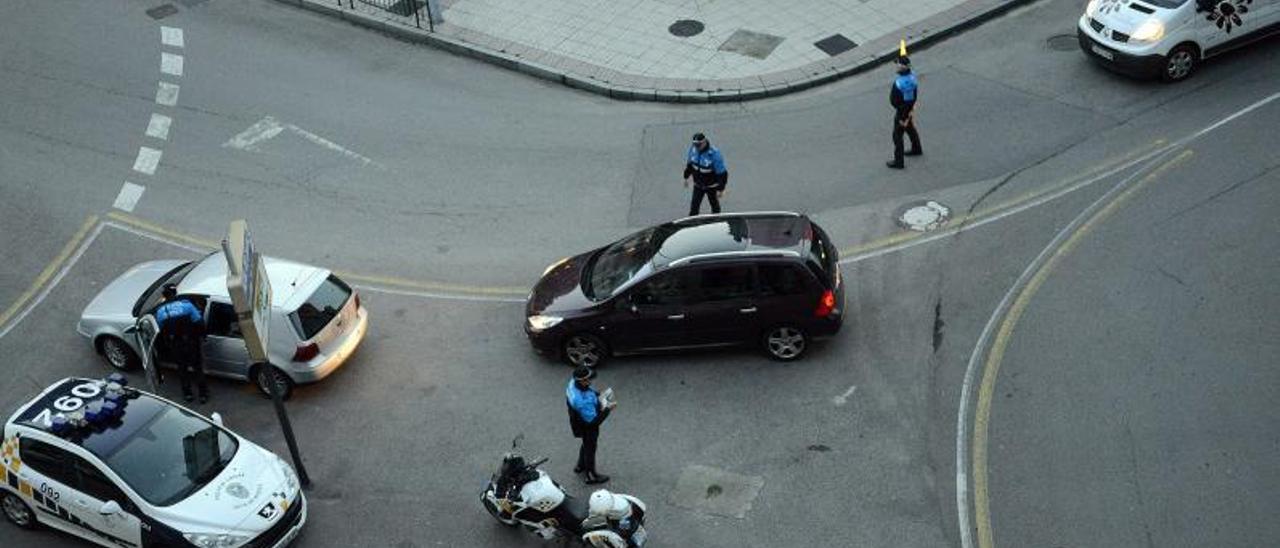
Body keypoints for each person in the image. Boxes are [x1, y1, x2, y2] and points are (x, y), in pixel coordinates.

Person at [155, 284, 209, 403]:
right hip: (191, 342)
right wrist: (203, 336)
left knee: (182, 369)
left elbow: (160, 329)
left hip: (176, 345)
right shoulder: (187, 305)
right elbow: (199, 322)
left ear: (164, 296)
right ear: (175, 293)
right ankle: (203, 394)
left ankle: (187, 394)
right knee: (197, 368)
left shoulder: (161, 311)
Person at [566, 366, 615, 484]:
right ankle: (591, 475)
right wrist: (608, 409)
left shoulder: (573, 383)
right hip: (587, 425)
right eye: (588, 380)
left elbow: (589, 390)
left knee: (586, 443)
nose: (590, 381)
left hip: (577, 421)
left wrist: (597, 394)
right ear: (581, 381)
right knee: (590, 448)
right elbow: (594, 422)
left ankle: (580, 466)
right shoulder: (582, 402)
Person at [886, 55, 923, 169]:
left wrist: (902, 114)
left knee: (897, 136)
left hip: (902, 111)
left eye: (898, 64)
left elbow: (900, 101)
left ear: (903, 67)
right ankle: (917, 149)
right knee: (910, 128)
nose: (896, 66)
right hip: (909, 109)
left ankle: (899, 162)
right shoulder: (912, 77)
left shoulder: (901, 83)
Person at [682, 132, 728, 215]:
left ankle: (716, 220)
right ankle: (692, 223)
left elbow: (722, 173)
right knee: (694, 206)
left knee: (714, 205)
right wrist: (686, 177)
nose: (697, 147)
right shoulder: (693, 150)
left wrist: (721, 189)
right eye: (695, 144)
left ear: (704, 142)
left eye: (699, 145)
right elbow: (690, 165)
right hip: (698, 185)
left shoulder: (714, 154)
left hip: (711, 186)